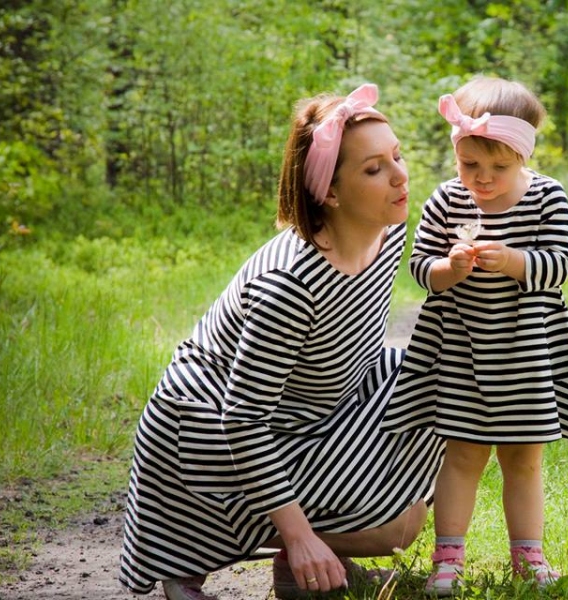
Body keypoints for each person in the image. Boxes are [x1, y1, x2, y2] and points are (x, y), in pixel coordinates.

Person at [119, 83, 445, 600]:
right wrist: (299, 535)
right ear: (330, 194)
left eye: (397, 156)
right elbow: (242, 418)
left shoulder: (384, 233)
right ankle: (196, 548)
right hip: (208, 435)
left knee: (442, 386)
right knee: (395, 525)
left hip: (312, 406)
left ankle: (311, 563)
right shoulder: (291, 285)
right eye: (373, 169)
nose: (401, 176)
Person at [381, 75, 568, 596]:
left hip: (526, 350)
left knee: (523, 457)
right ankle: (448, 560)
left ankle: (529, 557)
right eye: (469, 164)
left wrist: (517, 261)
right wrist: (449, 270)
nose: (481, 178)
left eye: (498, 167)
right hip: (459, 349)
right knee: (462, 453)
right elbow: (419, 269)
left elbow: (562, 264)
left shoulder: (547, 197)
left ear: (522, 158)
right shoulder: (445, 201)